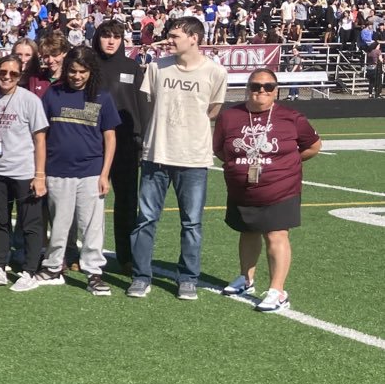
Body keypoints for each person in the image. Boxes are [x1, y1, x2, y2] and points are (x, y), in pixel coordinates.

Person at [130, 17, 228, 300]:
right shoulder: (156, 67)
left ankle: (188, 278)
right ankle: (140, 276)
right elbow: (148, 105)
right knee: (146, 219)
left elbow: (213, 110)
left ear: (194, 38)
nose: (168, 40)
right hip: (156, 154)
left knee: (192, 222)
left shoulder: (215, 72)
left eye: (174, 36)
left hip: (193, 158)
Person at [215, 69, 322, 312]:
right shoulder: (229, 117)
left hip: (281, 187)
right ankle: (246, 278)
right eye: (255, 86)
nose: (261, 91)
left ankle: (278, 290)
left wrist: (285, 165)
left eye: (268, 86)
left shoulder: (291, 117)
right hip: (243, 189)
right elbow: (221, 149)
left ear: (276, 90)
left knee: (276, 235)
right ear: (247, 88)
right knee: (248, 231)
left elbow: (313, 146)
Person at [15, 47, 120, 294]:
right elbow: (40, 133)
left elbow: (110, 138)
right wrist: (40, 171)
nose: (77, 76)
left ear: (90, 72)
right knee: (59, 224)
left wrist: (105, 174)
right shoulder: (53, 93)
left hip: (91, 172)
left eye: (82, 71)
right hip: (57, 171)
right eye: (72, 71)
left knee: (91, 225)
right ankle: (53, 267)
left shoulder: (102, 97)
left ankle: (93, 272)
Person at [0, 56, 48, 288]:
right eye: (3, 72)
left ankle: (29, 270)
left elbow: (40, 140)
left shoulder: (30, 100)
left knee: (30, 223)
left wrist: (40, 175)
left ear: (20, 76)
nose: (7, 77)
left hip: (24, 171)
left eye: (13, 74)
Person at [95, 20, 147, 273]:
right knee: (91, 201)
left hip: (126, 143)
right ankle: (86, 254)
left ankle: (126, 256)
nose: (111, 41)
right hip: (93, 143)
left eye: (116, 36)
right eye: (106, 36)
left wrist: (142, 137)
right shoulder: (88, 64)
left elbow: (142, 104)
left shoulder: (132, 67)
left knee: (126, 201)